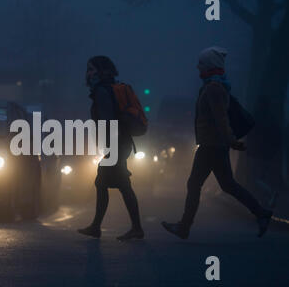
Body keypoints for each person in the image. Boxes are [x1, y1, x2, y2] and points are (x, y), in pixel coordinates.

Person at [162, 47, 273, 239]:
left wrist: (232, 141)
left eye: (201, 64)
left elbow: (221, 118)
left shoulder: (213, 88)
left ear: (209, 66)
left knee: (195, 183)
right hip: (214, 144)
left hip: (211, 145)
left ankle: (184, 227)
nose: (198, 67)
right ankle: (261, 213)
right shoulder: (214, 86)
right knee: (227, 185)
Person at [77, 56, 144, 241]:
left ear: (101, 71)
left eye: (91, 69)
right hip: (121, 144)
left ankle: (99, 227)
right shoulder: (110, 88)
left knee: (106, 183)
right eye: (88, 69)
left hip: (117, 145)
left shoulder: (102, 91)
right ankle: (129, 227)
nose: (88, 73)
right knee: (118, 185)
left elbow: (108, 121)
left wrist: (109, 146)